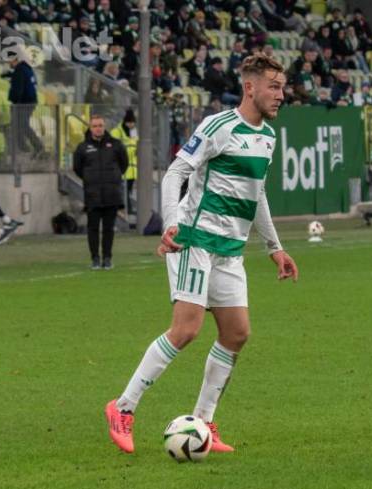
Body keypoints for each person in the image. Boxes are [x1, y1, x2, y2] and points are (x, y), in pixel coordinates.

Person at [105, 53, 299, 454]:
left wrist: (275, 247)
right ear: (250, 87)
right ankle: (122, 407)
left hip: (230, 250)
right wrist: (171, 224)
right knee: (186, 330)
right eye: (274, 87)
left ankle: (204, 422)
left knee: (237, 333)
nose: (281, 95)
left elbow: (257, 194)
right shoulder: (218, 127)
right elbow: (176, 172)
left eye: (282, 87)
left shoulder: (268, 137)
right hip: (195, 241)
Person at [73, 115, 129, 270]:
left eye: (100, 125)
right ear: (90, 128)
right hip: (92, 195)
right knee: (93, 228)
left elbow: (124, 164)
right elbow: (77, 168)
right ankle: (95, 259)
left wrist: (113, 177)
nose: (98, 128)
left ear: (104, 127)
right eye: (95, 126)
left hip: (111, 194)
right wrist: (90, 179)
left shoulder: (116, 145)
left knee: (108, 229)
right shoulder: (83, 148)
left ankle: (107, 258)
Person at [3, 54, 44, 154]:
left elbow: (18, 89)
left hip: (23, 103)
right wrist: (9, 75)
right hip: (30, 101)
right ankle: (25, 147)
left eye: (9, 61)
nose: (8, 63)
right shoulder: (26, 69)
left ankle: (36, 146)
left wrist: (15, 103)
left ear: (14, 60)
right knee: (18, 125)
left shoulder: (20, 71)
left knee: (22, 125)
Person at [109, 110, 138, 215]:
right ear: (125, 122)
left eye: (133, 122)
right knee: (123, 190)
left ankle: (127, 208)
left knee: (128, 190)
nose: (131, 125)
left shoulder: (133, 131)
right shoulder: (117, 132)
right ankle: (126, 209)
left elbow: (136, 143)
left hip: (132, 167)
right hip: (122, 167)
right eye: (129, 122)